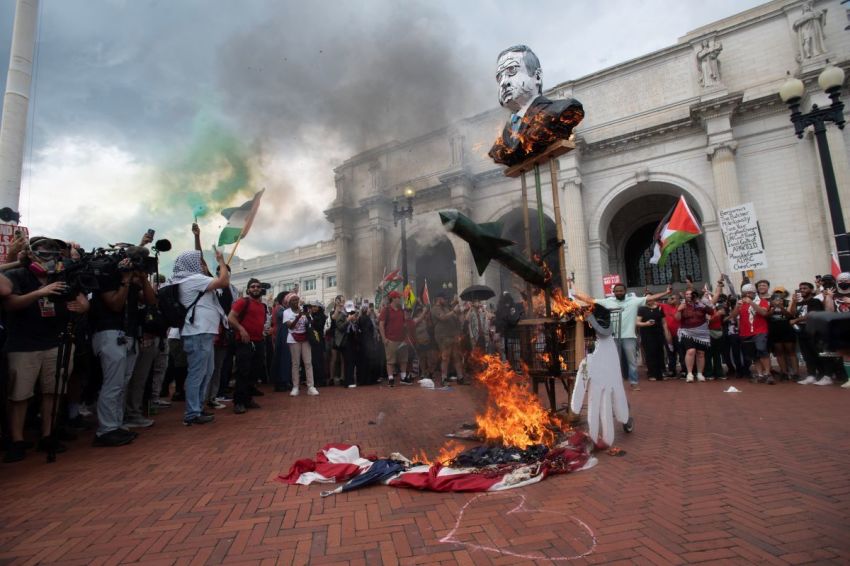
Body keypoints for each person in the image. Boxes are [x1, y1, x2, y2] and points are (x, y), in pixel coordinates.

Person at [2, 237, 90, 462]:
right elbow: (10, 303)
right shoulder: (18, 275)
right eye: (43, 251)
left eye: (53, 251)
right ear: (30, 253)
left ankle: (48, 435)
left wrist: (82, 306)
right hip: (24, 344)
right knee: (20, 395)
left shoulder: (64, 275)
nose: (49, 256)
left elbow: (82, 300)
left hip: (58, 342)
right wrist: (40, 292)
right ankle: (17, 440)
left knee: (53, 392)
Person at [90, 243, 157, 444]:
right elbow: (115, 304)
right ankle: (106, 430)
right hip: (109, 333)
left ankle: (116, 424)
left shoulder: (133, 280)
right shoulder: (108, 275)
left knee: (121, 384)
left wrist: (143, 279)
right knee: (112, 384)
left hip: (128, 335)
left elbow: (151, 301)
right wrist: (125, 280)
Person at [488, 45, 584, 167]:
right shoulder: (502, 140)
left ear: (537, 76)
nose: (503, 83)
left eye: (512, 70)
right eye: (499, 77)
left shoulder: (560, 111)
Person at [170, 248, 230, 425]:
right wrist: (221, 261)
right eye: (200, 263)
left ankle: (197, 407)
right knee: (197, 373)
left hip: (203, 332)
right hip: (198, 332)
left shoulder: (191, 280)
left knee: (206, 371)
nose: (203, 266)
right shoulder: (193, 279)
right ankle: (192, 413)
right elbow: (224, 281)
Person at [573, 283, 670, 391]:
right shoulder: (608, 301)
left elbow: (650, 298)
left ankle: (634, 383)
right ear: (614, 292)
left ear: (625, 291)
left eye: (621, 291)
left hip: (629, 337)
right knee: (614, 361)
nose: (619, 292)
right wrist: (578, 296)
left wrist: (666, 293)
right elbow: (592, 300)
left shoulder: (633, 300)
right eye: (617, 291)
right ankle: (615, 383)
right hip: (613, 337)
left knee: (632, 362)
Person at [227, 279, 267, 414]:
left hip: (259, 341)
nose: (256, 288)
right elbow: (231, 318)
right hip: (244, 342)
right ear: (248, 289)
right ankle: (238, 402)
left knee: (254, 372)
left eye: (258, 286)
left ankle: (248, 399)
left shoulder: (263, 306)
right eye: (253, 286)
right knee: (243, 371)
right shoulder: (242, 302)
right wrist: (241, 329)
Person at [730, 283, 771, 384]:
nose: (747, 295)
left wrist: (752, 303)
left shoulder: (763, 301)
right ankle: (760, 374)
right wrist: (736, 306)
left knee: (762, 350)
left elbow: (764, 313)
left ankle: (768, 373)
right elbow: (733, 316)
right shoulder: (741, 303)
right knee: (753, 355)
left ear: (754, 293)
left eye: (750, 293)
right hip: (746, 332)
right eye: (745, 293)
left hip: (760, 330)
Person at [675, 288, 714, 382]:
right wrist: (679, 310)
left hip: (701, 331)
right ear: (685, 295)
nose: (689, 295)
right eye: (687, 294)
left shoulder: (701, 303)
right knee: (691, 351)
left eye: (691, 294)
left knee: (701, 353)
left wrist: (702, 304)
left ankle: (700, 373)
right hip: (687, 331)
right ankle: (689, 373)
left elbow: (711, 312)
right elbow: (677, 318)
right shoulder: (683, 305)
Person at [789, 282, 824, 384]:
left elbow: (812, 314)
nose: (802, 290)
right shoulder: (800, 302)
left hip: (813, 331)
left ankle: (823, 374)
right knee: (806, 354)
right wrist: (794, 301)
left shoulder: (815, 301)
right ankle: (811, 375)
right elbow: (792, 313)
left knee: (816, 353)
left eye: (805, 288)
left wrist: (796, 320)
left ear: (811, 290)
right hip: (802, 331)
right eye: (800, 288)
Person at [283, 293, 318, 396]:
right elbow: (290, 327)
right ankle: (295, 387)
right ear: (289, 302)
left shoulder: (303, 310)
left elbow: (309, 323)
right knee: (295, 364)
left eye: (297, 299)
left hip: (305, 338)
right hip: (293, 338)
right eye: (293, 300)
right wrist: (299, 316)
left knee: (308, 362)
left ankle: (311, 386)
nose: (295, 302)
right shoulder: (286, 312)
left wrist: (308, 316)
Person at [431, 292, 465, 386]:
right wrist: (454, 311)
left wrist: (460, 311)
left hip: (453, 336)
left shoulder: (447, 308)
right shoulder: (434, 309)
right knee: (445, 358)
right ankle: (444, 379)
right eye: (444, 299)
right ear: (439, 298)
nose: (445, 300)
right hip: (443, 337)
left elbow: (458, 320)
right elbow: (443, 318)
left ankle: (460, 378)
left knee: (457, 357)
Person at [378, 291, 409, 386]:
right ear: (394, 299)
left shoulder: (402, 310)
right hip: (390, 339)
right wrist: (384, 338)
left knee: (403, 359)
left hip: (401, 339)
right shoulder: (386, 310)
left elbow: (404, 324)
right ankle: (390, 378)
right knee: (390, 361)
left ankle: (403, 377)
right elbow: (381, 325)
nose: (400, 299)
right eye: (399, 297)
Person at [767, 293, 798, 381]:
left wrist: (781, 307)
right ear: (771, 300)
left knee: (791, 351)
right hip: (775, 331)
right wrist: (773, 308)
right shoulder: (769, 306)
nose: (778, 301)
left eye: (780, 299)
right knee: (779, 352)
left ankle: (796, 373)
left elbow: (790, 315)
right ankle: (784, 372)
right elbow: (767, 316)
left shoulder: (787, 304)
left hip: (787, 330)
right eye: (775, 299)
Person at [636, 294, 665, 381]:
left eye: (650, 298)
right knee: (650, 353)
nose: (649, 300)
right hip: (647, 333)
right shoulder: (642, 309)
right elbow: (637, 322)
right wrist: (646, 324)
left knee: (660, 352)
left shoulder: (659, 308)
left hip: (659, 333)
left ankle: (660, 372)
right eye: (647, 299)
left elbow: (664, 322)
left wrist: (667, 333)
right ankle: (651, 373)